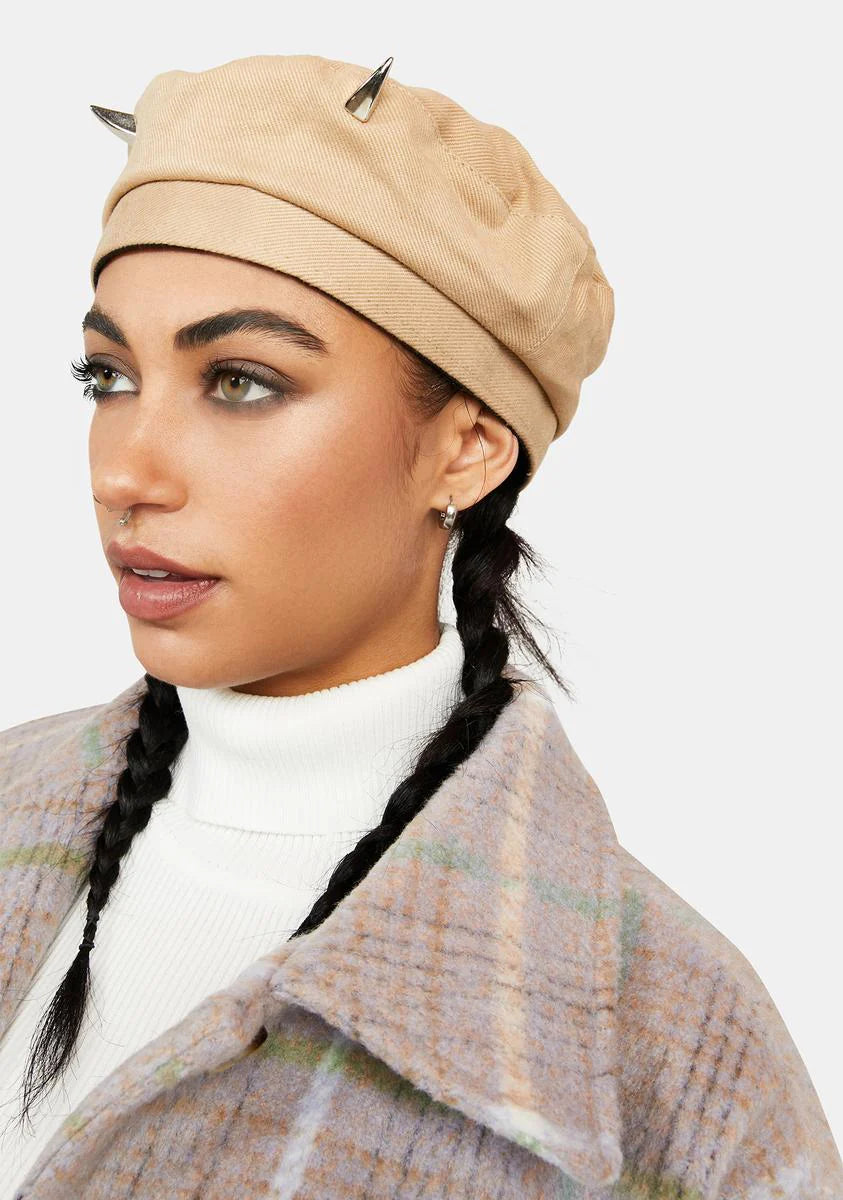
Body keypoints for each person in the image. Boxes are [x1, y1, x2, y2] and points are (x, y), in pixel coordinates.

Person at [0, 52, 840, 1200]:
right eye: (107, 377)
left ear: (470, 449)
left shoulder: (673, 1052)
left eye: (240, 382)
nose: (125, 472)